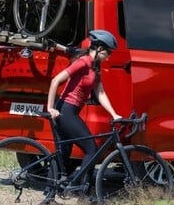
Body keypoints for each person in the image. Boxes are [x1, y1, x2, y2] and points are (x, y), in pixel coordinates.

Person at [46, 29, 122, 176]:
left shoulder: (95, 65)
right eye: (108, 52)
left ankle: (51, 193)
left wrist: (114, 114)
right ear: (99, 49)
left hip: (72, 110)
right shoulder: (83, 62)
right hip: (65, 110)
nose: (109, 56)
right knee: (91, 149)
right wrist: (50, 108)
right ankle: (83, 192)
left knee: (64, 152)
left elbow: (99, 92)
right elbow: (55, 80)